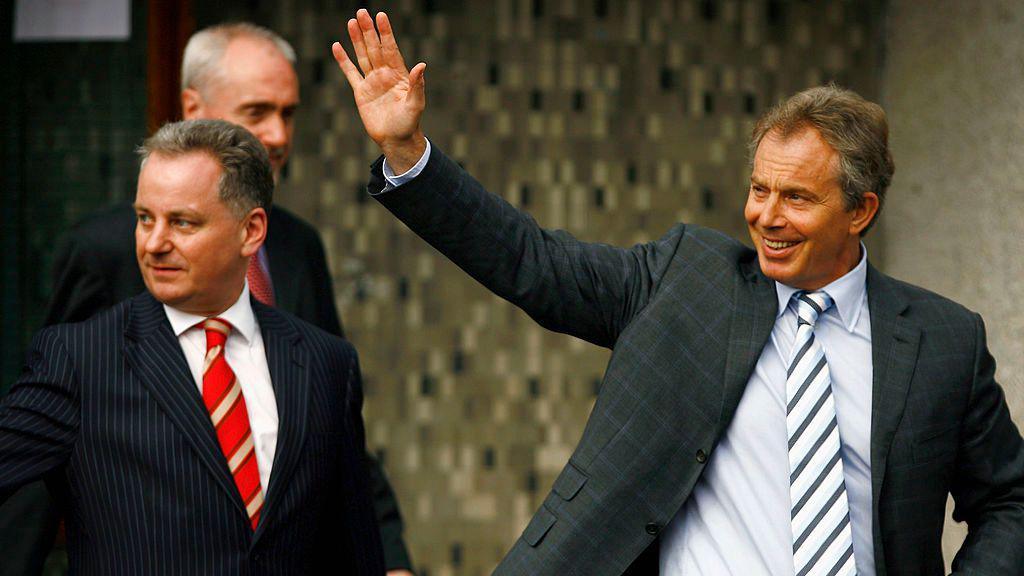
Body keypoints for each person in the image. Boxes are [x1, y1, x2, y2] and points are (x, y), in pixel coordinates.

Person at [330, 9, 1024, 575]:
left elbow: (1009, 501)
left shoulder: (943, 340)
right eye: (758, 189)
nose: (766, 216)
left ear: (862, 210)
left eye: (797, 198)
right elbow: (529, 260)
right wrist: (409, 154)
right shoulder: (687, 278)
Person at [0, 22, 414, 576]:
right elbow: (34, 464)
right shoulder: (87, 330)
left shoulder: (309, 301)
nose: (276, 135)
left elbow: (331, 449)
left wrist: (389, 558)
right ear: (193, 107)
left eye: (287, 114)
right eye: (256, 111)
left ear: (252, 232)